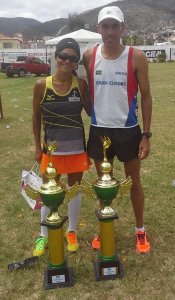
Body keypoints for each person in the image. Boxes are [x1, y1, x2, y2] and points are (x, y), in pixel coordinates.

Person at [83, 6, 152, 254]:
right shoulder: (89, 55)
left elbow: (146, 97)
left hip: (128, 131)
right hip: (99, 129)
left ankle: (140, 231)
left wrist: (146, 135)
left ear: (123, 28)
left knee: (135, 183)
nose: (110, 31)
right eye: (105, 26)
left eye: (115, 26)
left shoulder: (136, 56)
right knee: (104, 183)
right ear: (98, 28)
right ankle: (105, 227)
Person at [32, 38, 91, 256]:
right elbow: (36, 116)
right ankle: (43, 235)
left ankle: (72, 232)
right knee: (49, 192)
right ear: (56, 57)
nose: (67, 61)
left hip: (76, 148)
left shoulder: (80, 84)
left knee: (74, 191)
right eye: (63, 56)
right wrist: (38, 147)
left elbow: (92, 112)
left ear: (76, 62)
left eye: (72, 58)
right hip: (52, 151)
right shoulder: (41, 85)